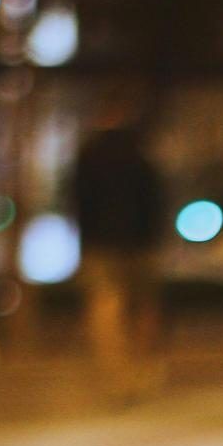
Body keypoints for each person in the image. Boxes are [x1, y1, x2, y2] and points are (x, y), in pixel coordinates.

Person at [73, 87, 165, 402]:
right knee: (141, 308)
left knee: (105, 308)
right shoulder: (139, 152)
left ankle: (115, 372)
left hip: (100, 243)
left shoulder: (88, 153)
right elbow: (154, 200)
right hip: (138, 243)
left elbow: (79, 204)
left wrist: (85, 241)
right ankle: (140, 369)